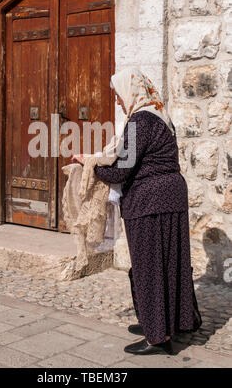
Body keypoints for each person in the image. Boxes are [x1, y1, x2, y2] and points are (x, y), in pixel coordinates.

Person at [73, 68, 202, 356]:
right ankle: (176, 321)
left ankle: (158, 336)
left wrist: (89, 164)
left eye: (119, 96)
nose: (119, 102)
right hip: (170, 196)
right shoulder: (161, 117)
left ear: (131, 92)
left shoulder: (140, 121)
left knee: (150, 266)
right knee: (171, 261)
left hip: (150, 201)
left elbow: (122, 169)